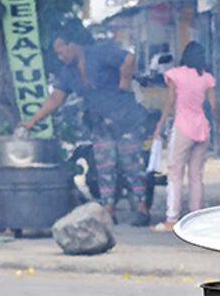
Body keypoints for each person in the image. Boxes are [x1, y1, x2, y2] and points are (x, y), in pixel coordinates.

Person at [21, 23, 152, 225]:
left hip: (125, 118)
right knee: (104, 165)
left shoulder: (99, 53)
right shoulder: (68, 72)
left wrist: (124, 83)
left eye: (61, 51)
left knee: (131, 163)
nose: (60, 57)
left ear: (72, 45)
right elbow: (56, 98)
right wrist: (31, 121)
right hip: (99, 121)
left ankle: (142, 208)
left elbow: (128, 58)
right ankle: (108, 209)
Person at [152, 42, 217, 231]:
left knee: (175, 173)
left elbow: (170, 102)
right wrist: (219, 125)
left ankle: (172, 219)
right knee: (196, 175)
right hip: (202, 128)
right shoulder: (207, 77)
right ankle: (196, 217)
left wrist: (160, 125)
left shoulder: (175, 74)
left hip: (182, 127)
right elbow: (213, 106)